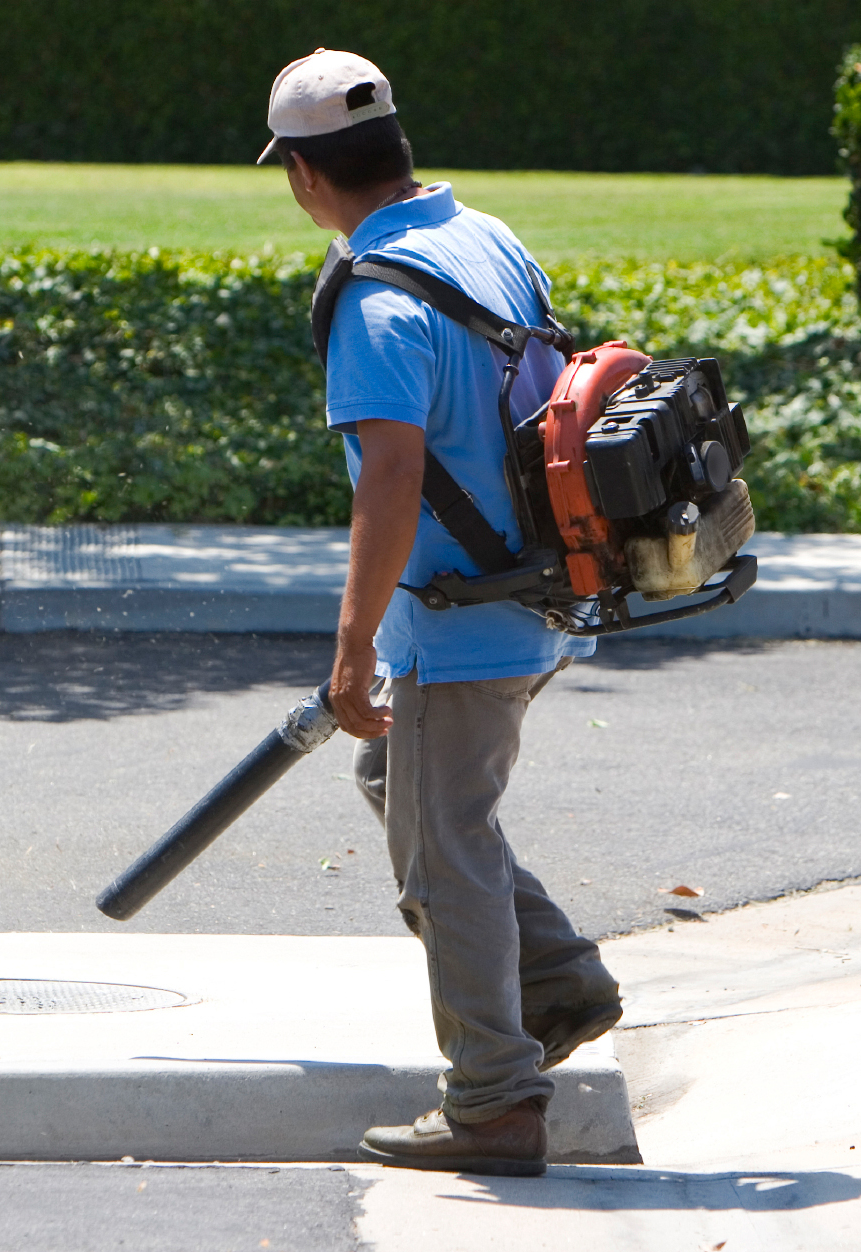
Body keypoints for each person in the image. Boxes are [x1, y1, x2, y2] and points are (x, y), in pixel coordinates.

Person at [258, 49, 624, 1177]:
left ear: (307, 178)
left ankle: (493, 1103)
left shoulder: (374, 299)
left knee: (442, 849)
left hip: (463, 612)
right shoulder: (483, 236)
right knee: (405, 789)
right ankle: (555, 981)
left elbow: (392, 480)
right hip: (542, 584)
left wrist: (352, 649)